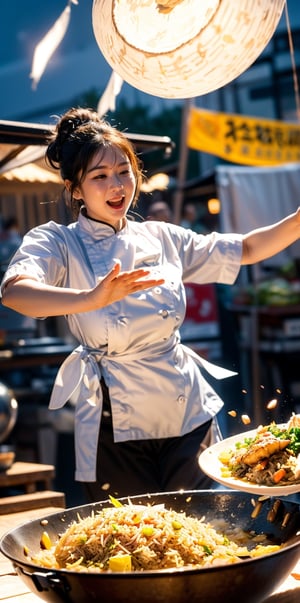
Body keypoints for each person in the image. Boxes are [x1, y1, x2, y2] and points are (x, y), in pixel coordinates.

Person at [2, 106, 300, 503]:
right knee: (136, 535)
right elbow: (15, 291)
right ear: (75, 189)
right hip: (115, 424)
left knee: (206, 529)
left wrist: (296, 221)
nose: (117, 185)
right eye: (100, 176)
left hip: (187, 410)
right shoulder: (59, 242)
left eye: (124, 171)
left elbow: (244, 248)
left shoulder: (161, 236)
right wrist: (92, 298)